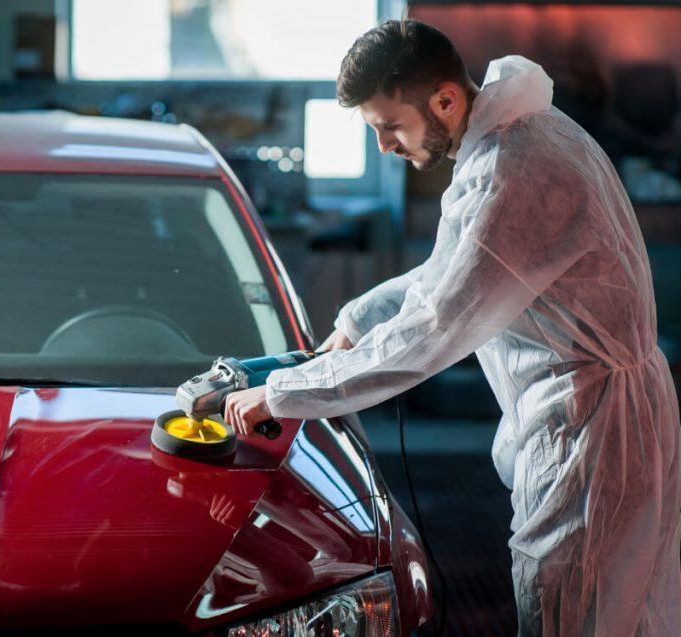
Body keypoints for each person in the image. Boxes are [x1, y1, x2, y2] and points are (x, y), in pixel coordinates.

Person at [222, 19, 681, 636]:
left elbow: (436, 328)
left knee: (569, 611)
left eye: (390, 126)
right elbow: (452, 272)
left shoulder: (510, 170)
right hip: (613, 416)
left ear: (444, 100)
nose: (384, 147)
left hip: (590, 430)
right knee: (623, 613)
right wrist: (358, 322)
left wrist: (285, 394)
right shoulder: (527, 134)